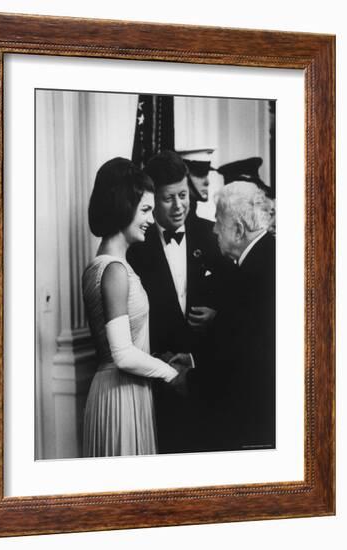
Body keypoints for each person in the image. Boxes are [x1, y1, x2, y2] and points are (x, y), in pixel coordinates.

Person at [82, 157, 189, 458]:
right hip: (120, 394)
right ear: (122, 207)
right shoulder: (114, 270)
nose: (151, 219)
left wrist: (157, 358)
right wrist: (170, 373)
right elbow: (122, 354)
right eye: (145, 210)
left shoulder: (105, 264)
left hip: (125, 389)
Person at [127, 150, 224, 453]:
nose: (180, 205)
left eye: (184, 194)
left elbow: (235, 298)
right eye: (169, 198)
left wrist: (216, 316)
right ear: (152, 199)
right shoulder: (135, 249)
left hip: (208, 376)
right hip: (158, 379)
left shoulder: (212, 236)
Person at [190, 180, 276, 451]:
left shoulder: (254, 275)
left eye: (218, 221)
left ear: (238, 230)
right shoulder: (263, 260)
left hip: (253, 422)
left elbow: (240, 360)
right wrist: (193, 360)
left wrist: (189, 378)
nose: (213, 229)